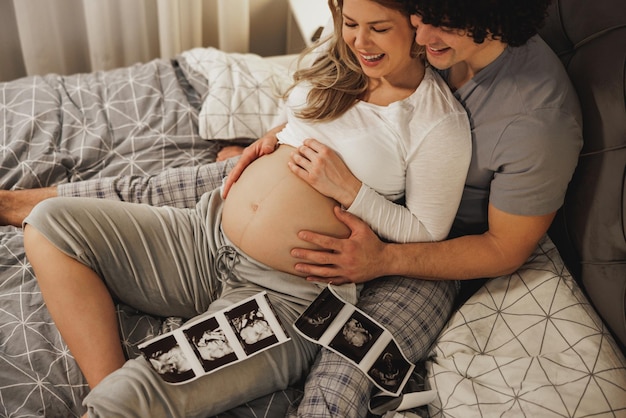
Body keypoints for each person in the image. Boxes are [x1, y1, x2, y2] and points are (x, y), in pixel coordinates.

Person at [20, 0, 471, 416]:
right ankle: (111, 382)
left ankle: (123, 398)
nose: (359, 41)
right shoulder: (336, 61)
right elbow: (309, 121)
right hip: (204, 234)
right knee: (48, 223)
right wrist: (274, 136)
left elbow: (427, 231)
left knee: (125, 401)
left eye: (378, 28)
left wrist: (353, 191)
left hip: (283, 297)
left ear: (417, 26)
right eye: (350, 23)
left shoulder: (435, 122)